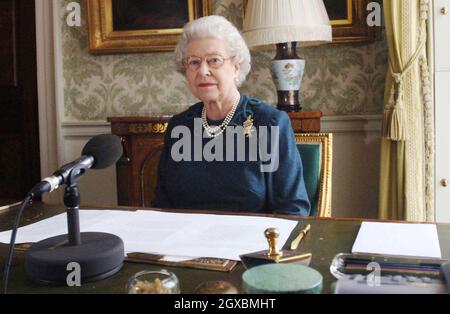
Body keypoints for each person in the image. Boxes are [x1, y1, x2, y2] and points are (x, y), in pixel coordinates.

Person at [152, 15, 310, 216]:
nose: (203, 71)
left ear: (236, 67)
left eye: (214, 60)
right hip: (186, 244)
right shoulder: (180, 127)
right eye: (193, 62)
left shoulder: (269, 124)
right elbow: (162, 205)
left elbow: (294, 209)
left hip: (251, 244)